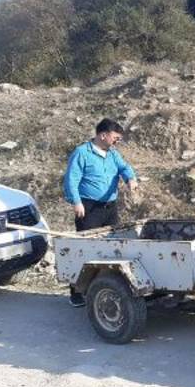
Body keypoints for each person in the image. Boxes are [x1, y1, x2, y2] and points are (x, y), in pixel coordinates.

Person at [63, 117, 139, 306]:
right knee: (85, 249)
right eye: (115, 137)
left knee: (110, 248)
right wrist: (76, 202)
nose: (117, 141)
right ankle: (76, 293)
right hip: (89, 209)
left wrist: (130, 178)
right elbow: (71, 179)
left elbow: (124, 168)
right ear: (103, 135)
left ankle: (103, 287)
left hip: (110, 208)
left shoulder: (113, 154)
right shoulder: (82, 153)